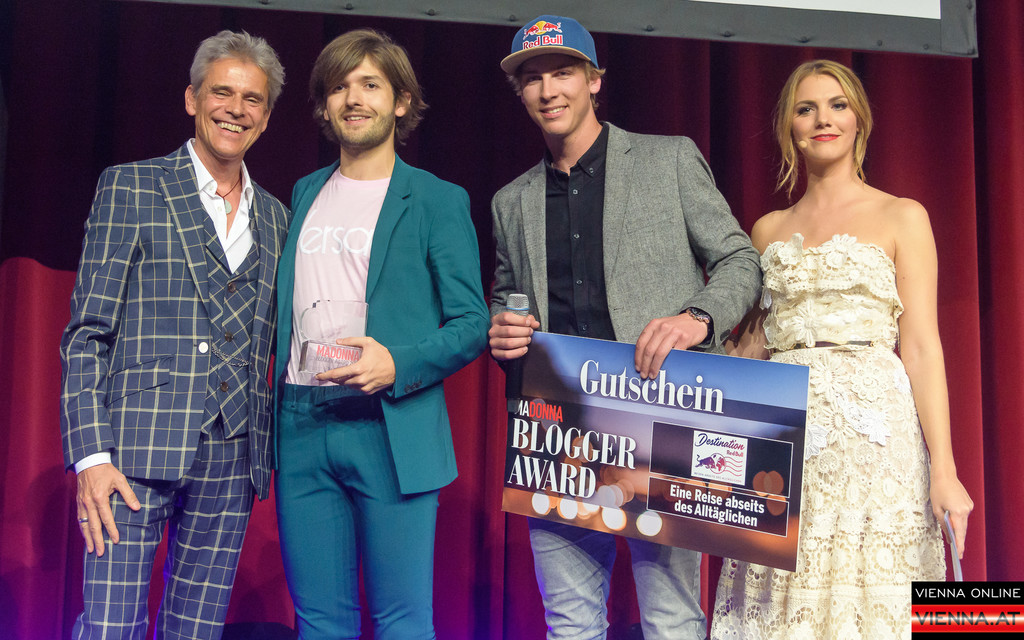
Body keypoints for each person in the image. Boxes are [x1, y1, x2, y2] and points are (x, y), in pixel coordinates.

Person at [489, 15, 762, 640]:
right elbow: (508, 298)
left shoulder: (668, 159)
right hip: (556, 430)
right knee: (570, 624)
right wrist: (500, 330)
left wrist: (697, 318)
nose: (548, 90)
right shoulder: (512, 200)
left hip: (659, 414)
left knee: (671, 619)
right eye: (532, 78)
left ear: (594, 81)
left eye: (562, 73)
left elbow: (740, 260)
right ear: (521, 93)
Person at [711, 59, 974, 639]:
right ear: (790, 128)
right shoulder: (766, 229)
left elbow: (922, 347)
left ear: (860, 121)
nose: (823, 119)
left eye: (837, 106)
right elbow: (752, 346)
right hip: (785, 434)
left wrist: (946, 470)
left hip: (876, 439)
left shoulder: (903, 215)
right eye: (805, 109)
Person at [59, 30, 288, 639]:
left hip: (232, 460)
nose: (235, 109)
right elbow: (86, 334)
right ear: (192, 99)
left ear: (266, 116)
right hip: (129, 455)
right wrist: (91, 457)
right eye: (222, 92)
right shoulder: (131, 186)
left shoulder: (277, 217)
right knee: (110, 627)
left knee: (196, 632)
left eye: (252, 99)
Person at [272, 28, 489, 640]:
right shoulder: (305, 192)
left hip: (389, 426)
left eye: (370, 84)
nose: (354, 98)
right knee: (319, 621)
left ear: (400, 102)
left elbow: (472, 323)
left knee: (402, 620)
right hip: (302, 422)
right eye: (339, 87)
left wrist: (397, 363)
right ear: (324, 106)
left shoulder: (437, 200)